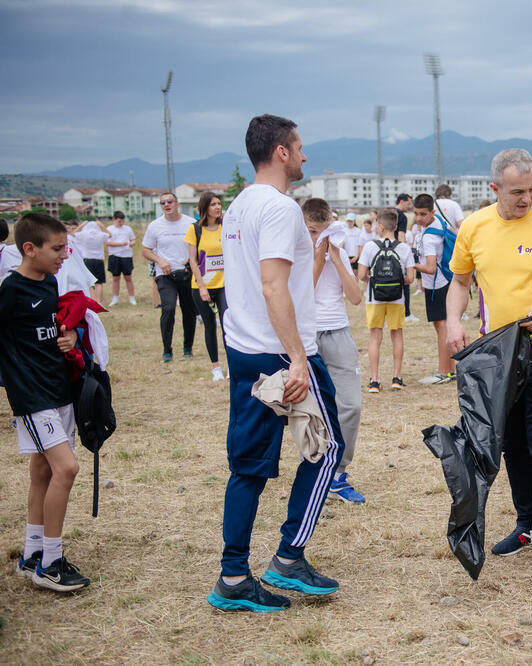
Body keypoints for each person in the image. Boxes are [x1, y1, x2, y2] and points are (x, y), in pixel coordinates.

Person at [207, 114, 345, 613]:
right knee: (328, 448)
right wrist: (297, 359)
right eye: (300, 147)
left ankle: (233, 573)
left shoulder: (240, 204)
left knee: (248, 465)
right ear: (282, 152)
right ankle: (287, 558)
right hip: (279, 352)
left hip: (245, 348)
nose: (305, 156)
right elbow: (272, 285)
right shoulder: (281, 208)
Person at [446, 148, 532, 587]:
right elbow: (460, 282)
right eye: (517, 192)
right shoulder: (474, 227)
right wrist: (453, 320)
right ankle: (526, 523)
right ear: (495, 190)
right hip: (498, 359)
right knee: (511, 446)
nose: (527, 199)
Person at [1, 212, 90, 592]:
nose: (64, 254)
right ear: (29, 248)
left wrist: (68, 336)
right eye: (57, 248)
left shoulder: (50, 282)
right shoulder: (10, 291)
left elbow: (51, 330)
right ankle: (51, 563)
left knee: (43, 470)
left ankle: (31, 553)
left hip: (58, 390)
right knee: (66, 469)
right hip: (32, 396)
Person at [302, 198, 365, 504]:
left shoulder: (337, 247)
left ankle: (338, 474)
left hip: (338, 331)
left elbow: (355, 298)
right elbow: (301, 295)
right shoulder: (296, 251)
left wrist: (337, 259)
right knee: (309, 409)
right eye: (313, 231)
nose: (319, 238)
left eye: (323, 231)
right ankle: (315, 470)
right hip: (307, 335)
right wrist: (316, 259)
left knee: (350, 405)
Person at [358, 208, 415, 393]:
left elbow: (361, 274)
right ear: (396, 226)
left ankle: (374, 380)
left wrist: (373, 281)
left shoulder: (369, 246)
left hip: (374, 298)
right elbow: (411, 278)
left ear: (380, 226)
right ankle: (397, 378)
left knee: (375, 337)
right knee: (396, 335)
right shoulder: (404, 247)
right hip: (397, 299)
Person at [142, 192, 198, 362]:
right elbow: (145, 250)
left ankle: (188, 348)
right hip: (165, 274)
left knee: (189, 311)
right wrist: (160, 260)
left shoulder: (190, 223)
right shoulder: (155, 226)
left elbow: (199, 246)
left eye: (169, 201)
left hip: (187, 273)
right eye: (162, 203)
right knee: (168, 308)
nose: (166, 205)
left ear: (177, 203)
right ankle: (167, 350)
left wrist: (190, 260)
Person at [185, 192, 228, 381]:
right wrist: (202, 287)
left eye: (219, 203)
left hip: (224, 285)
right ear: (205, 208)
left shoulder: (225, 227)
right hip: (201, 286)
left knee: (228, 325)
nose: (218, 207)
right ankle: (216, 368)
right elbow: (192, 261)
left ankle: (232, 367)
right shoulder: (195, 230)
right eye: (213, 204)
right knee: (209, 325)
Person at [412, 193, 456, 384]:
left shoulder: (430, 237)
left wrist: (411, 265)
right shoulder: (438, 222)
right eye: (416, 214)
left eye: (423, 214)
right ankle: (450, 369)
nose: (419, 218)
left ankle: (444, 371)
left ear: (432, 212)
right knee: (443, 327)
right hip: (444, 280)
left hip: (437, 283)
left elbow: (429, 268)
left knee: (442, 328)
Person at [394, 193, 417, 322]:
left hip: (385, 251)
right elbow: (401, 237)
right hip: (397, 252)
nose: (409, 206)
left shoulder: (389, 213)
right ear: (401, 202)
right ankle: (406, 314)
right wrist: (404, 254)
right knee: (406, 283)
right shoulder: (401, 216)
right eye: (408, 203)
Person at [106, 211, 137, 305]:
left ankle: (132, 297)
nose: (121, 223)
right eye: (119, 221)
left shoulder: (128, 229)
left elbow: (133, 239)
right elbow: (107, 242)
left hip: (126, 256)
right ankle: (115, 297)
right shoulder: (109, 229)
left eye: (122, 221)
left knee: (128, 277)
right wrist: (120, 244)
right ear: (114, 220)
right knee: (115, 277)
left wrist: (132, 243)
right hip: (114, 255)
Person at [75, 219, 110, 302]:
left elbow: (74, 234)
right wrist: (102, 225)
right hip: (98, 260)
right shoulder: (100, 234)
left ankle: (92, 300)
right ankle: (99, 301)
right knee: (99, 282)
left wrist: (82, 225)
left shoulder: (84, 234)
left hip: (87, 260)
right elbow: (110, 235)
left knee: (90, 282)